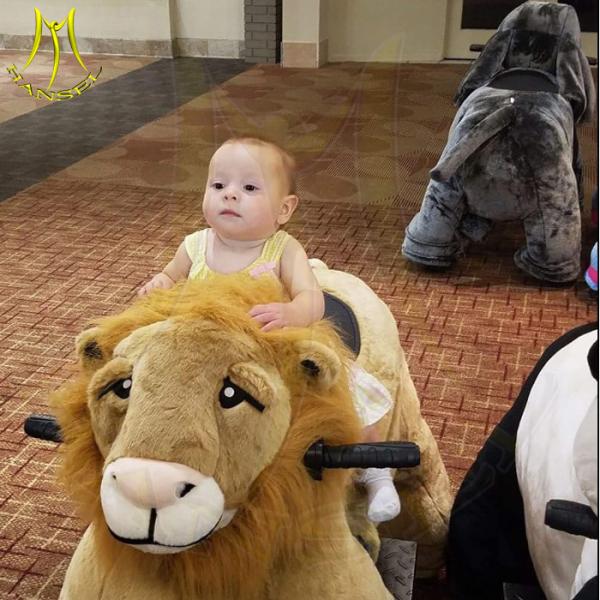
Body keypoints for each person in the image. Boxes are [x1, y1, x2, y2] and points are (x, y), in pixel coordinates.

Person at [138, 137, 400, 523]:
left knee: (349, 391)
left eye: (249, 187)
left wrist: (291, 311)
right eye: (218, 185)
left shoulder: (282, 250)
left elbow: (313, 299)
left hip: (269, 349)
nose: (230, 195)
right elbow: (170, 277)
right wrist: (159, 283)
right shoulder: (194, 246)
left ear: (284, 209)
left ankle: (377, 473)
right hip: (208, 354)